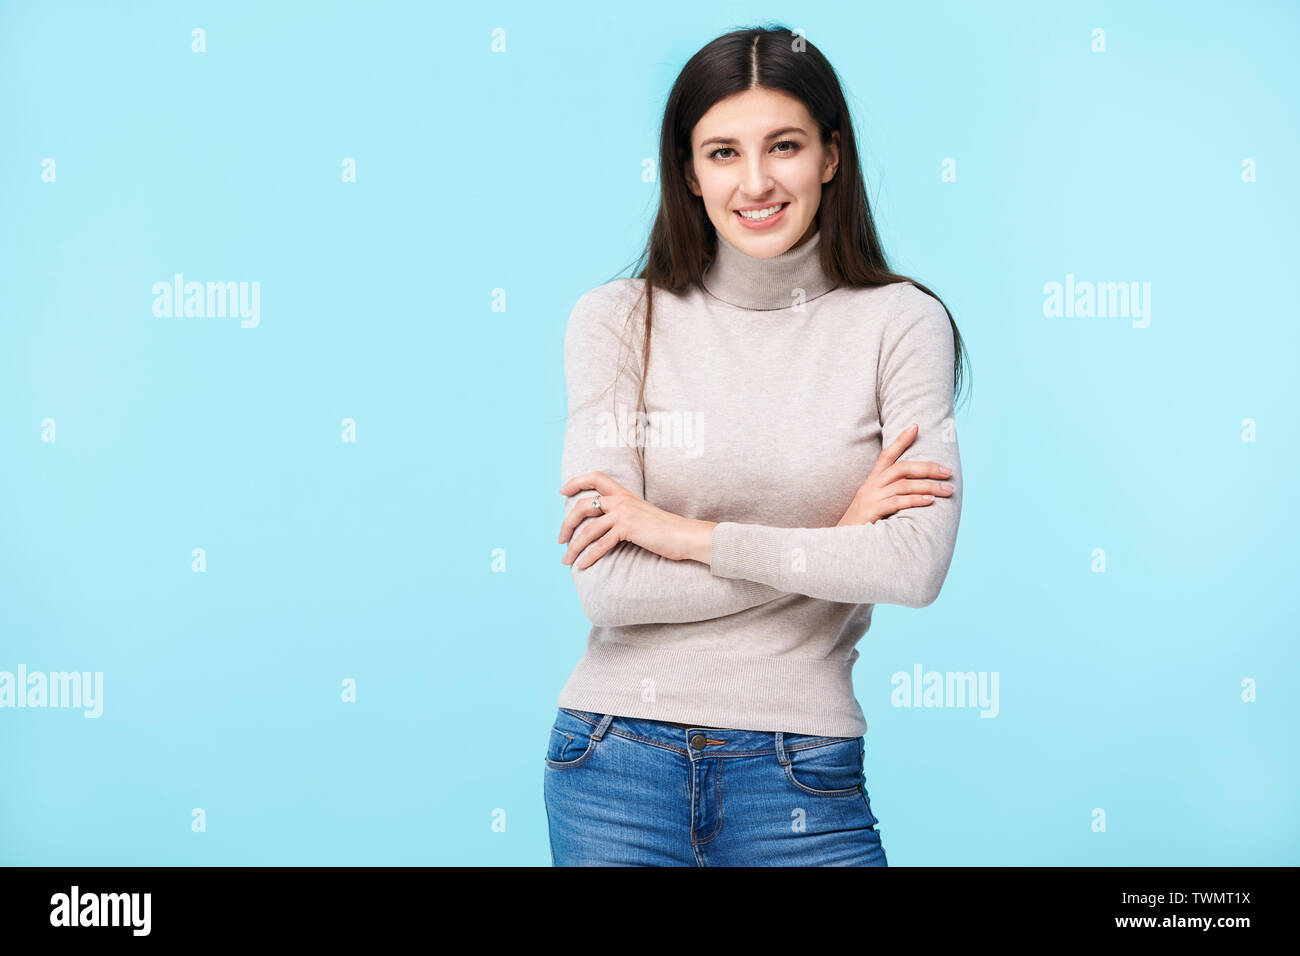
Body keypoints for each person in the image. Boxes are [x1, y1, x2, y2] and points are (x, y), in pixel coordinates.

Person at [545, 24, 970, 866]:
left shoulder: (901, 323)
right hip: (614, 760)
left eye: (783, 145)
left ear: (831, 157)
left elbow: (914, 567)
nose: (756, 181)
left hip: (800, 769)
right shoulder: (618, 322)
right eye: (722, 152)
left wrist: (686, 536)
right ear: (689, 173)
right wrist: (840, 538)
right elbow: (609, 589)